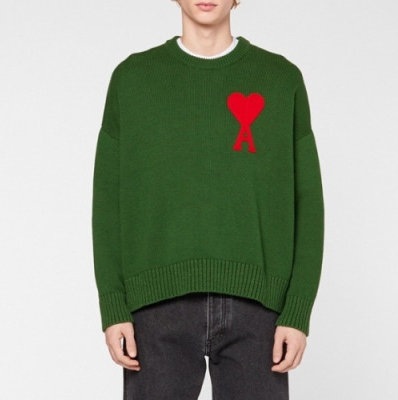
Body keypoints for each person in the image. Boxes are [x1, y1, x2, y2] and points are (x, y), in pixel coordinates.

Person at [91, 0, 325, 398]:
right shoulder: (132, 79)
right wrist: (113, 305)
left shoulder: (280, 79)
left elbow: (308, 202)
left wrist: (298, 310)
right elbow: (107, 200)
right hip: (156, 307)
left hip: (258, 310)